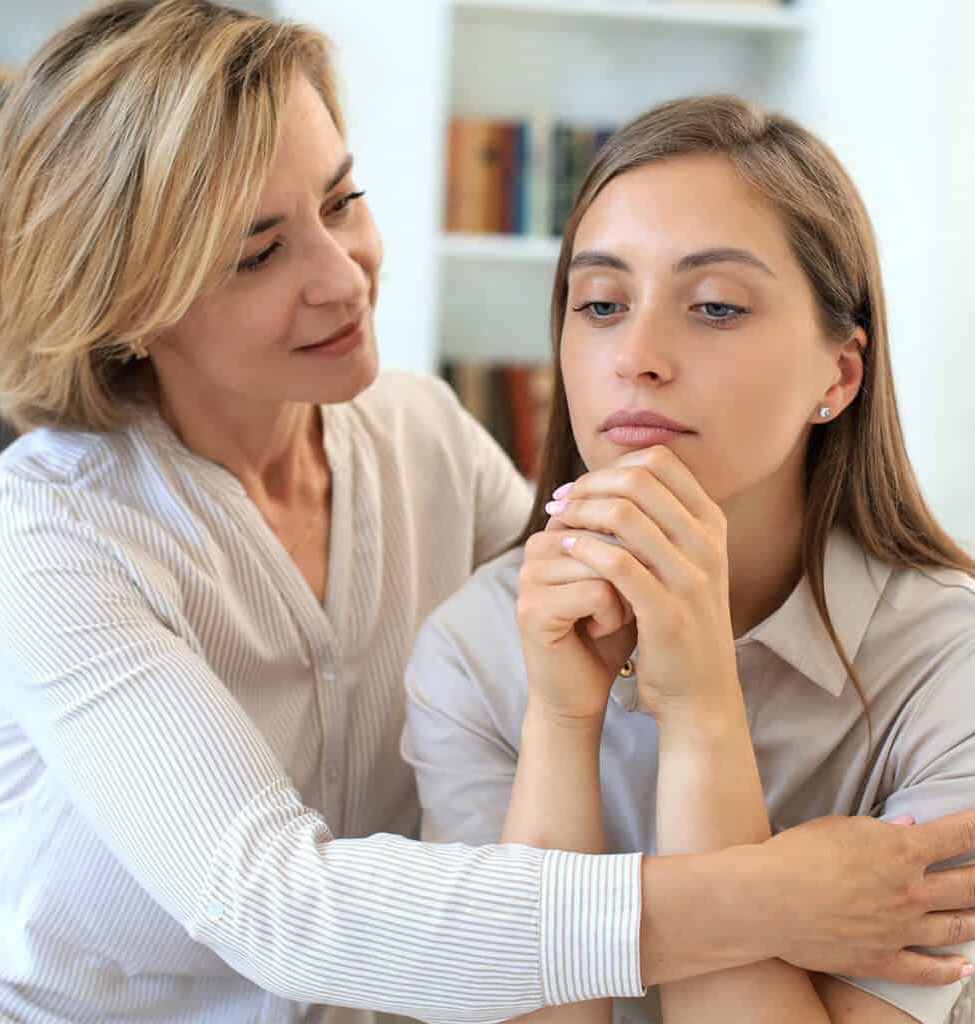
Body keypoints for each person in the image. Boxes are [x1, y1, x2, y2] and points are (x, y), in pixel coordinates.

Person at [0, 3, 973, 1020]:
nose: (341, 272)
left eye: (342, 199)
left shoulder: (421, 434)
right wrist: (773, 899)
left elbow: (565, 625)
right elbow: (278, 908)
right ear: (125, 303)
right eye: (259, 254)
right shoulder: (52, 532)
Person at [403, 96, 975, 1024]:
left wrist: (702, 705)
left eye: (714, 307)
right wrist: (559, 716)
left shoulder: (950, 667)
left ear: (839, 375)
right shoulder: (473, 649)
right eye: (600, 304)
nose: (636, 356)